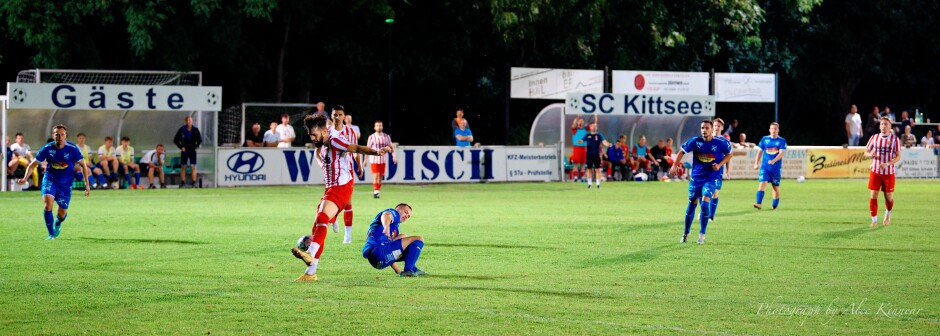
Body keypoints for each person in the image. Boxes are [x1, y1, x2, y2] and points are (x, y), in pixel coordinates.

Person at [290, 110, 387, 282]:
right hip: (331, 188)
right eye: (310, 135)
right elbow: (326, 124)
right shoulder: (325, 136)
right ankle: (310, 273)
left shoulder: (334, 141)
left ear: (324, 131)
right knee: (317, 227)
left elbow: (355, 148)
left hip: (341, 187)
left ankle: (310, 253)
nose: (312, 138)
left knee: (321, 218)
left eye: (314, 135)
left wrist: (377, 153)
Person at [18, 125, 91, 239]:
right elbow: (33, 165)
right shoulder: (47, 148)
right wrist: (25, 178)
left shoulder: (72, 148)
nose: (59, 136)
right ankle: (50, 233)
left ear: (66, 135)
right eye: (57, 134)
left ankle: (58, 223)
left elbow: (83, 165)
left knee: (61, 214)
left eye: (62, 134)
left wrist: (87, 185)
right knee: (48, 206)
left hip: (65, 185)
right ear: (53, 135)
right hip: (50, 180)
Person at [670, 120, 733, 244]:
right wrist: (675, 165)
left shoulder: (721, 142)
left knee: (704, 203)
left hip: (711, 178)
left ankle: (702, 234)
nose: (704, 130)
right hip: (696, 178)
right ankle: (686, 233)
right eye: (702, 128)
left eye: (707, 128)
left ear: (711, 130)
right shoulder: (695, 141)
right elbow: (682, 151)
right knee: (692, 204)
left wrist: (720, 165)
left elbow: (729, 154)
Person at [321, 107, 363, 244]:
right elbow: (318, 150)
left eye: (340, 115)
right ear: (332, 116)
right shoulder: (326, 131)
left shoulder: (351, 132)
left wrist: (360, 165)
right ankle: (332, 219)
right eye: (335, 115)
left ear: (344, 116)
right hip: (331, 172)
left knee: (348, 202)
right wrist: (321, 163)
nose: (337, 117)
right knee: (329, 200)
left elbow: (355, 149)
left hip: (347, 172)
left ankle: (348, 235)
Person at [360, 203, 427, 277]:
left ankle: (412, 269)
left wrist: (397, 270)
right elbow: (386, 215)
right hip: (379, 251)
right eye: (405, 212)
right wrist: (386, 227)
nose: (406, 216)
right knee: (419, 239)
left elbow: (391, 251)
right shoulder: (394, 213)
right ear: (398, 209)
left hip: (379, 262)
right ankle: (408, 270)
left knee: (403, 237)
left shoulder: (394, 229)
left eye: (408, 216)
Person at [865, 117, 901, 227]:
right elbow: (866, 151)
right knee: (873, 196)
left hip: (888, 173)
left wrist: (888, 164)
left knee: (888, 198)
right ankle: (874, 220)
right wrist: (870, 154)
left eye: (886, 124)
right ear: (879, 126)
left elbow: (898, 156)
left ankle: (888, 214)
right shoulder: (874, 138)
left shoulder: (895, 139)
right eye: (882, 124)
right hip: (875, 171)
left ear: (890, 126)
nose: (884, 126)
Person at [753, 122, 787, 210]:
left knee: (775, 187)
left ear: (778, 130)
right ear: (769, 130)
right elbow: (760, 151)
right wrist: (756, 163)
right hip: (765, 167)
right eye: (772, 128)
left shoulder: (781, 141)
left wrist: (773, 161)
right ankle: (758, 203)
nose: (773, 130)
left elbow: (781, 153)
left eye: (775, 129)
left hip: (775, 169)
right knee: (762, 182)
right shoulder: (765, 139)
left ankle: (774, 205)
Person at [709, 119, 733, 220]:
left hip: (717, 170)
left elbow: (729, 156)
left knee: (715, 193)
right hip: (705, 170)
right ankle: (704, 212)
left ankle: (711, 216)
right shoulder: (707, 138)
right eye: (715, 125)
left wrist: (728, 171)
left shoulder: (725, 142)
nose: (716, 127)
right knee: (703, 192)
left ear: (722, 128)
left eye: (719, 126)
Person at [367, 120, 396, 198]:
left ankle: (377, 191)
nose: (379, 127)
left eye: (380, 125)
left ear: (382, 127)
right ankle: (375, 191)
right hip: (374, 159)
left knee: (380, 176)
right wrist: (365, 160)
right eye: (377, 125)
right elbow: (368, 149)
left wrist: (394, 156)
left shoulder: (386, 137)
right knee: (375, 175)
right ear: (374, 127)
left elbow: (391, 147)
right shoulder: (371, 137)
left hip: (383, 159)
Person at [173, 115, 202, 188]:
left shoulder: (195, 129)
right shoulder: (182, 129)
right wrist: (181, 147)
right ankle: (182, 183)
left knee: (193, 167)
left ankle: (193, 183)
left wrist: (195, 147)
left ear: (192, 121)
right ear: (185, 121)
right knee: (183, 166)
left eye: (190, 120)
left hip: (192, 150)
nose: (189, 122)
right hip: (185, 151)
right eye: (188, 120)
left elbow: (199, 140)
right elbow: (175, 140)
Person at [582, 122, 611, 189]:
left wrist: (608, 144)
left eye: (595, 126)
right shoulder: (587, 135)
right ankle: (589, 184)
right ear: (590, 127)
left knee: (597, 169)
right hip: (589, 155)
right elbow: (582, 140)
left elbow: (604, 142)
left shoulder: (599, 135)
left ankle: (598, 185)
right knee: (589, 169)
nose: (594, 127)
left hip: (596, 155)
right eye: (592, 126)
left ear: (596, 127)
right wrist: (580, 141)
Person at [569, 116, 589, 182]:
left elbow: (594, 123)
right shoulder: (575, 130)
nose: (581, 122)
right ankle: (575, 177)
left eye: (582, 121)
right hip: (577, 148)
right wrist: (578, 117)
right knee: (576, 163)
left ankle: (583, 177)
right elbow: (573, 124)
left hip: (584, 148)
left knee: (583, 163)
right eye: (579, 121)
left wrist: (595, 116)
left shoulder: (585, 129)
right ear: (577, 122)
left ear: (583, 123)